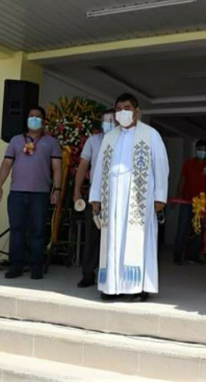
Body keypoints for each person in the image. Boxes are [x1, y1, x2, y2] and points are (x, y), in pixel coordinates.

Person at [89, 93, 169, 302]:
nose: (121, 112)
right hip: (113, 200)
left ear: (136, 111)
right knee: (112, 240)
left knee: (138, 240)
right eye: (118, 109)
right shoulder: (109, 137)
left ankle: (139, 287)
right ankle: (111, 286)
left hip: (139, 200)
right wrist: (95, 197)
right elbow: (99, 169)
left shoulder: (151, 135)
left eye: (126, 108)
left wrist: (160, 197)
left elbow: (161, 166)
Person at [0, 106, 62, 280]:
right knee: (16, 230)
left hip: (40, 194)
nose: (34, 119)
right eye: (31, 116)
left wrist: (57, 189)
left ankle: (36, 267)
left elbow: (57, 168)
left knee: (38, 231)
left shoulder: (51, 142)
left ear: (44, 120)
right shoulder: (16, 140)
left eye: (38, 117)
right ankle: (16, 265)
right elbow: (6, 164)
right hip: (17, 193)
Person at [73, 110, 116, 288]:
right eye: (106, 120)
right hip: (96, 195)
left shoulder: (123, 140)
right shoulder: (93, 141)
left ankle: (112, 273)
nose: (109, 123)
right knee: (92, 235)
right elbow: (83, 165)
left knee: (114, 236)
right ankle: (88, 273)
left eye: (112, 120)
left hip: (117, 194)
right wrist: (77, 191)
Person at [173, 139, 206, 264]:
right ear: (196, 150)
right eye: (200, 149)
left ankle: (193, 256)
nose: (201, 152)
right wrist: (177, 198)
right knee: (183, 228)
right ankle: (178, 256)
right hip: (186, 202)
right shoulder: (188, 163)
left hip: (202, 205)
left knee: (199, 230)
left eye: (204, 150)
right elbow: (182, 181)